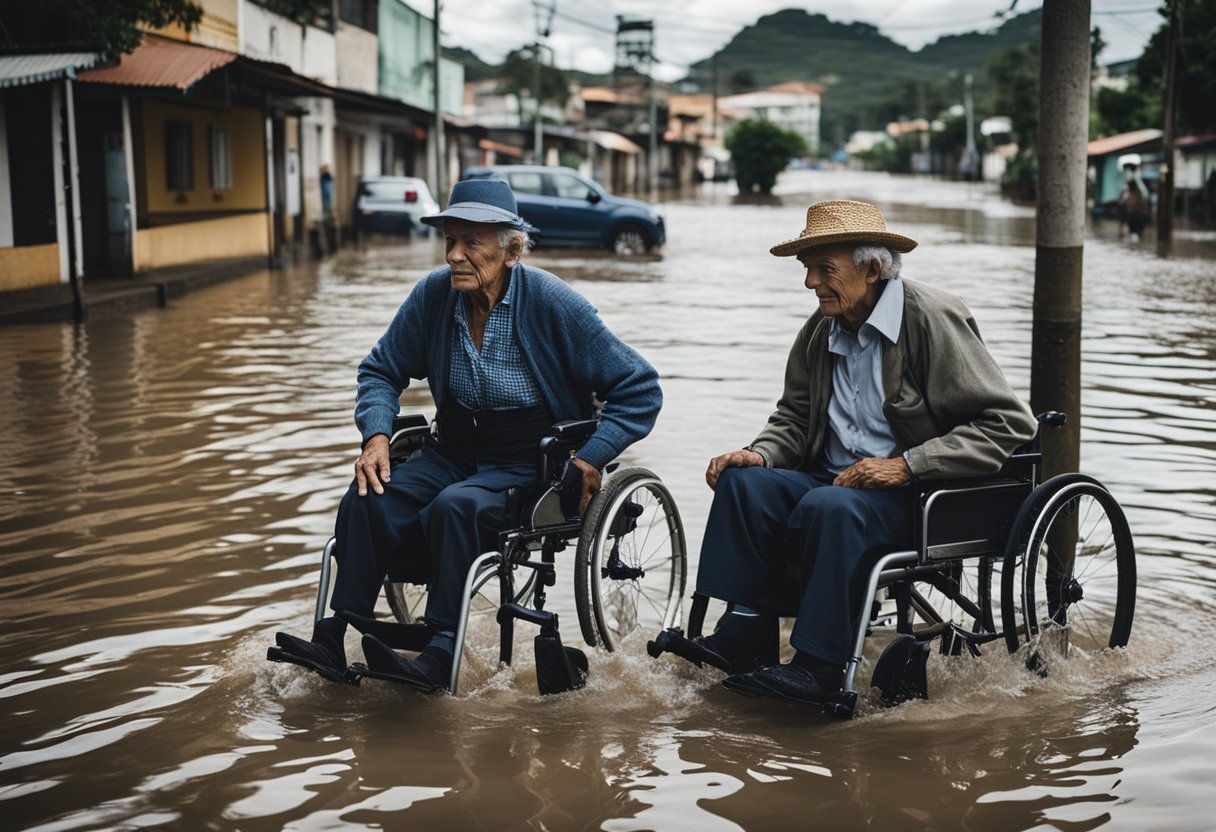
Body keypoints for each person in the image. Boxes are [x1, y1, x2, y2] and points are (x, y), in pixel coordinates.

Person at [269, 178, 662, 690]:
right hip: (451, 447)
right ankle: (334, 632)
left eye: (471, 243)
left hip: (529, 458)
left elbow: (640, 387)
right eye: (450, 241)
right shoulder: (434, 295)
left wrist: (592, 456)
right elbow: (381, 369)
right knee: (370, 494)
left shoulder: (551, 302)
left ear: (511, 250)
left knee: (456, 506)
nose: (455, 255)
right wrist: (377, 435)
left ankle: (439, 651)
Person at [666, 199, 1036, 707]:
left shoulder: (929, 318)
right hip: (837, 483)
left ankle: (821, 665)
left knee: (828, 505)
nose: (810, 283)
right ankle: (746, 634)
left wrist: (907, 465)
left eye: (824, 270)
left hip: (916, 494)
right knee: (742, 482)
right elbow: (794, 419)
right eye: (807, 270)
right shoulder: (820, 330)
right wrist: (761, 454)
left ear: (873, 268)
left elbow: (1008, 423)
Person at [1117, 161, 1150, 243]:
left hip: (1137, 215)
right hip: (1133, 214)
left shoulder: (1137, 185)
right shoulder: (1127, 187)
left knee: (1135, 233)